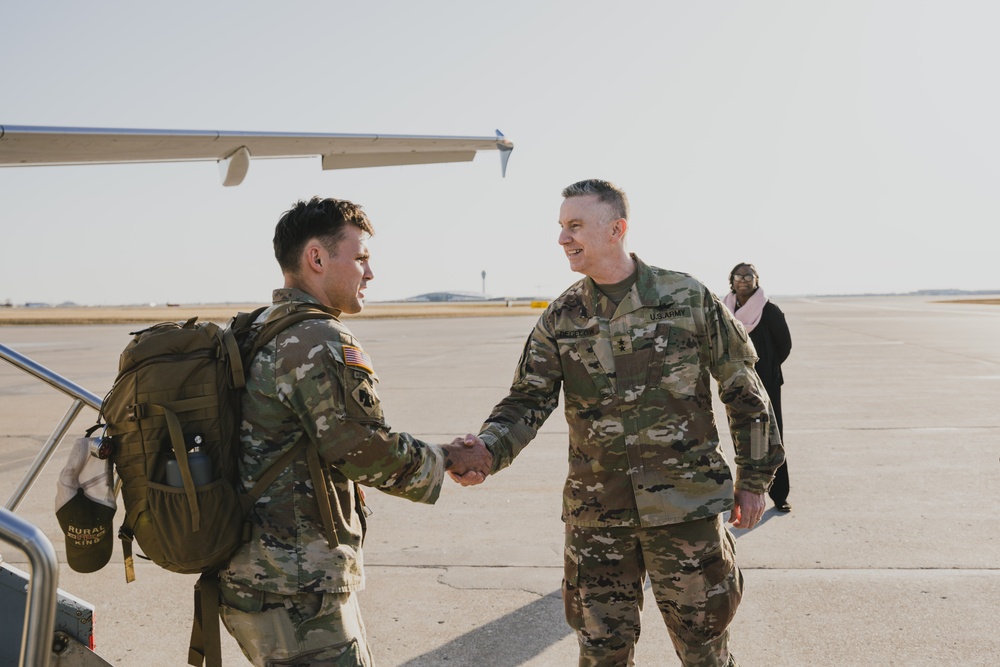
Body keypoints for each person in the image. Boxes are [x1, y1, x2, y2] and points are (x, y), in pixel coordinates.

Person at [454, 180, 784, 667]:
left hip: (685, 512)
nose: (563, 238)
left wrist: (754, 480)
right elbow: (527, 400)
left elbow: (744, 391)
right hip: (597, 517)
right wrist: (486, 450)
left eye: (575, 226)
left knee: (704, 650)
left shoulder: (687, 298)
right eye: (561, 227)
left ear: (616, 229)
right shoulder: (562, 316)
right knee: (601, 653)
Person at [219, 196, 492, 667]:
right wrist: (448, 457)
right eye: (361, 257)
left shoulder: (254, 328)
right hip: (299, 587)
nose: (370, 274)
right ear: (317, 259)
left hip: (253, 574)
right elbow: (362, 448)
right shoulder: (318, 339)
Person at [722, 263, 793, 512]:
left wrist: (767, 368)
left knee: (771, 437)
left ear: (756, 280)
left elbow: (784, 345)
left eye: (748, 275)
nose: (744, 279)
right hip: (733, 383)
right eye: (739, 276)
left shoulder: (769, 311)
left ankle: (779, 495)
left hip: (766, 383)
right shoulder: (723, 310)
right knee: (741, 437)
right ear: (731, 280)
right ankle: (738, 494)